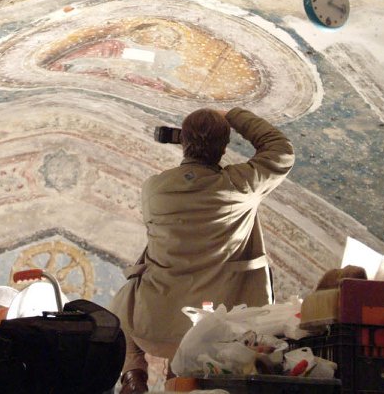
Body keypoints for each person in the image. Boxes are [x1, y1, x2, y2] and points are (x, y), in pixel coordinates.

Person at [110, 108, 295, 393]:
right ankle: (176, 378)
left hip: (156, 324)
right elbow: (281, 150)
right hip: (223, 328)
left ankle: (133, 373)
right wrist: (232, 115)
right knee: (188, 358)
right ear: (224, 148)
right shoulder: (241, 184)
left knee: (123, 303)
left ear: (183, 142)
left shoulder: (154, 189)